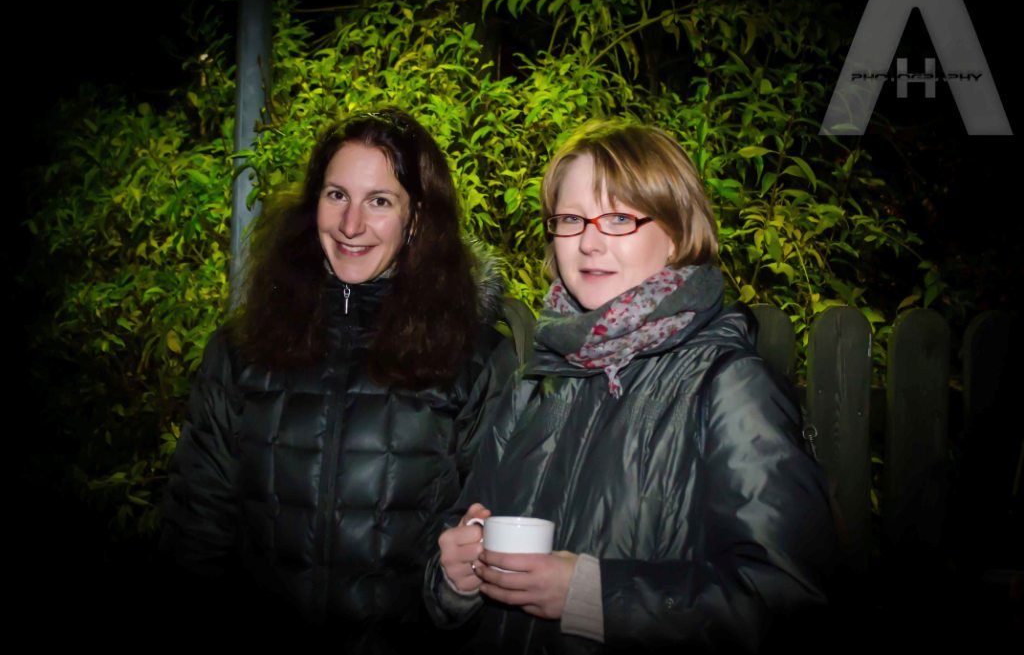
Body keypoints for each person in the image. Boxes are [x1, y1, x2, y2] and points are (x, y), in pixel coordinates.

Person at [425, 120, 835, 653]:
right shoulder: (536, 384)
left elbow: (791, 598)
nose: (589, 242)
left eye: (619, 217)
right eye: (571, 219)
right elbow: (466, 526)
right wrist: (454, 580)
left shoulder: (728, 386)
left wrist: (595, 597)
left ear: (677, 233)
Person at [161, 108, 517, 648]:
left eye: (380, 201)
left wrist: (454, 595)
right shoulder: (241, 349)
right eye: (336, 195)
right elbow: (197, 526)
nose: (351, 225)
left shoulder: (475, 360)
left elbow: (481, 547)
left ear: (416, 218)